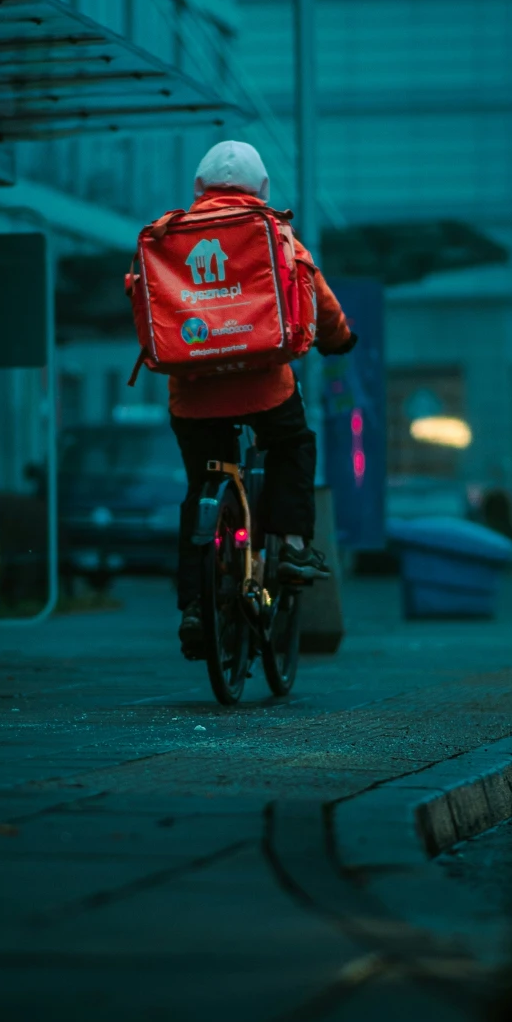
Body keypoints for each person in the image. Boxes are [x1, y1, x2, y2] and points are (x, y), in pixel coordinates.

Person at [139, 139, 356, 660]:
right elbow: (318, 298)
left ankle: (196, 605)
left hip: (193, 394)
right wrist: (339, 339)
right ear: (262, 189)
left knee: (201, 487)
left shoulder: (169, 237)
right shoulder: (276, 233)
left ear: (198, 188)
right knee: (293, 444)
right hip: (263, 385)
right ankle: (295, 550)